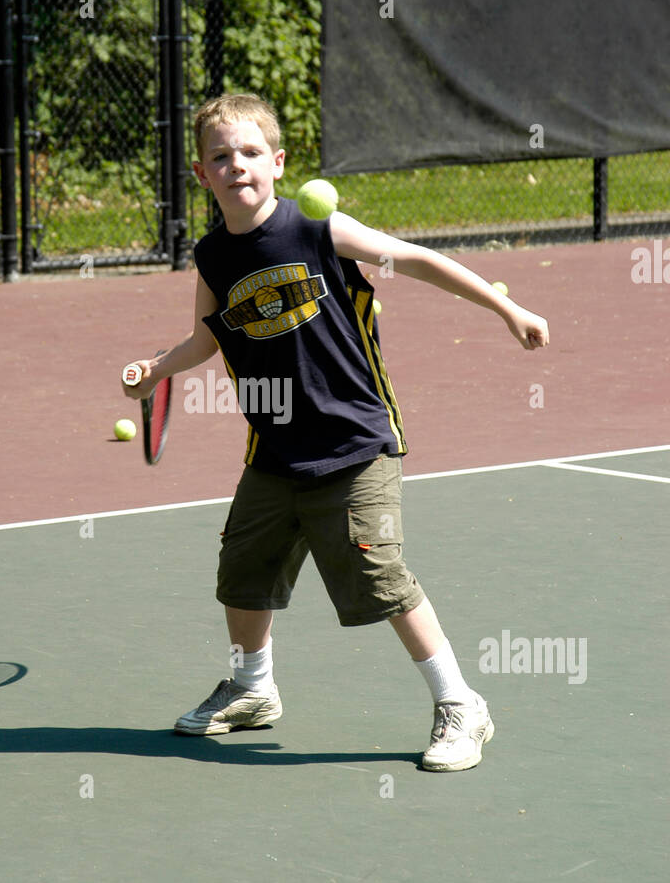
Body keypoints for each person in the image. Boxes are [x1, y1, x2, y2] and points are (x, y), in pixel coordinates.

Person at [122, 93, 549, 770]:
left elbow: (414, 259)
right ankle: (253, 690)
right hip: (272, 453)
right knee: (242, 574)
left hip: (355, 442)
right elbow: (207, 337)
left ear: (278, 163)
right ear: (202, 176)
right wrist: (157, 368)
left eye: (252, 153)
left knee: (380, 576)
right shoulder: (211, 258)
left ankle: (461, 705)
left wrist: (506, 307)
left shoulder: (317, 228)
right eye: (221, 157)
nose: (237, 166)